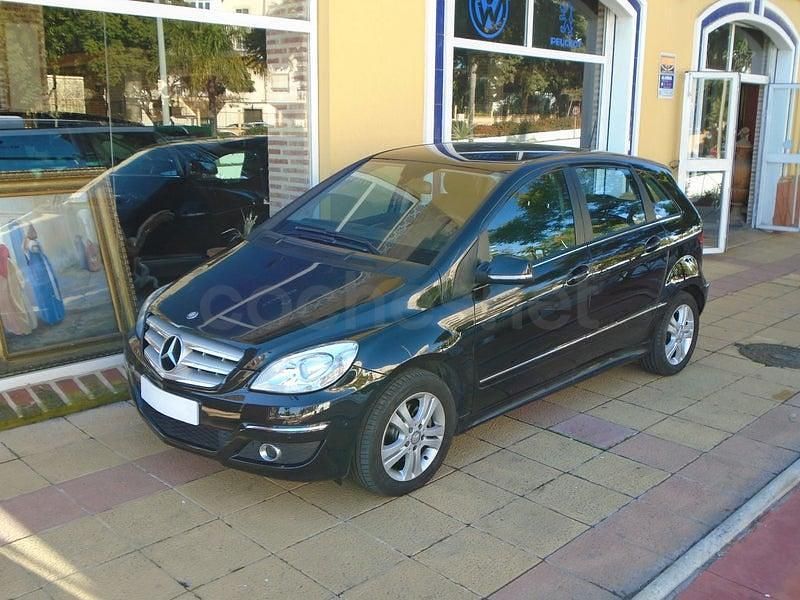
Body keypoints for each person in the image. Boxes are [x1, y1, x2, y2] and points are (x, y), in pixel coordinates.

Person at [23, 224, 65, 325]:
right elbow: (35, 252)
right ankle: (53, 317)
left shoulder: (31, 244)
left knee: (49, 294)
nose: (35, 233)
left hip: (42, 272)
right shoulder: (31, 244)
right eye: (32, 231)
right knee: (47, 295)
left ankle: (56, 315)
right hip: (41, 274)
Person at [0, 244, 37, 336]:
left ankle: (22, 328)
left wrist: (19, 284)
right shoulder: (9, 261)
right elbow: (18, 275)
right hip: (9, 288)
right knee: (14, 306)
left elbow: (16, 275)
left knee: (16, 305)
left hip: (10, 288)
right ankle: (21, 328)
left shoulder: (8, 261)